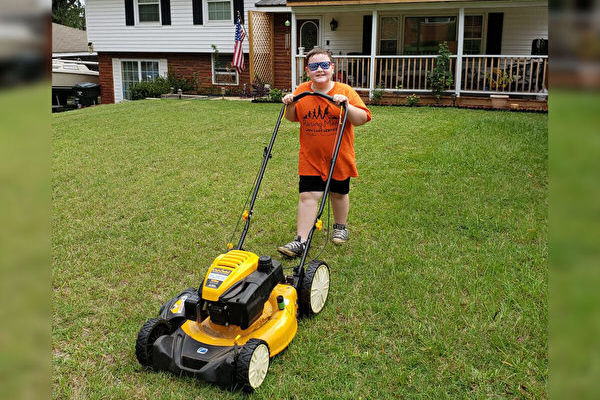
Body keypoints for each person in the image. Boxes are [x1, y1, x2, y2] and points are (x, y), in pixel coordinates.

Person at [277, 47, 372, 258]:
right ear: (307, 71)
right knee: (307, 196)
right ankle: (300, 241)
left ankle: (340, 226)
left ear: (332, 68)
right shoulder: (302, 90)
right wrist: (290, 103)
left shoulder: (345, 90)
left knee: (339, 193)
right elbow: (292, 117)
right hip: (310, 157)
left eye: (324, 65)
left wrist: (346, 105)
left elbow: (362, 118)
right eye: (314, 66)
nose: (319, 69)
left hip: (339, 156)